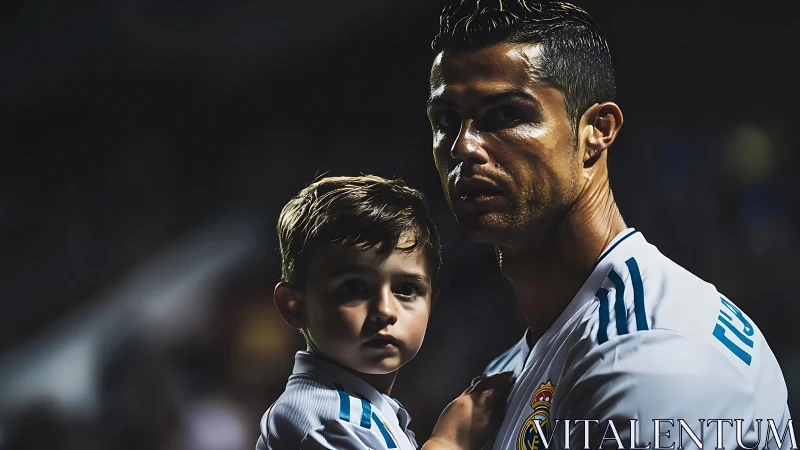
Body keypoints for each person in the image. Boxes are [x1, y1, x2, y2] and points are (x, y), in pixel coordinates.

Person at [425, 2, 792, 449]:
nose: (464, 146)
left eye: (505, 115)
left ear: (597, 129)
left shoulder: (651, 357)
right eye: (445, 121)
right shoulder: (521, 363)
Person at [256, 175, 512, 450]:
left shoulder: (365, 410)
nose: (385, 310)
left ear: (430, 303)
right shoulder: (327, 419)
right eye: (354, 287)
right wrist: (450, 441)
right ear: (294, 306)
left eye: (406, 289)